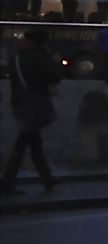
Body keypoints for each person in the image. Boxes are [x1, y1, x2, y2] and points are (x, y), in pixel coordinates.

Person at [3, 28, 64, 194]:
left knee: (34, 142)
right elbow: (55, 77)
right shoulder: (39, 57)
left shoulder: (16, 58)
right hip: (34, 105)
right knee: (23, 143)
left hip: (19, 104)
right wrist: (56, 62)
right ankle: (7, 183)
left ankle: (47, 179)